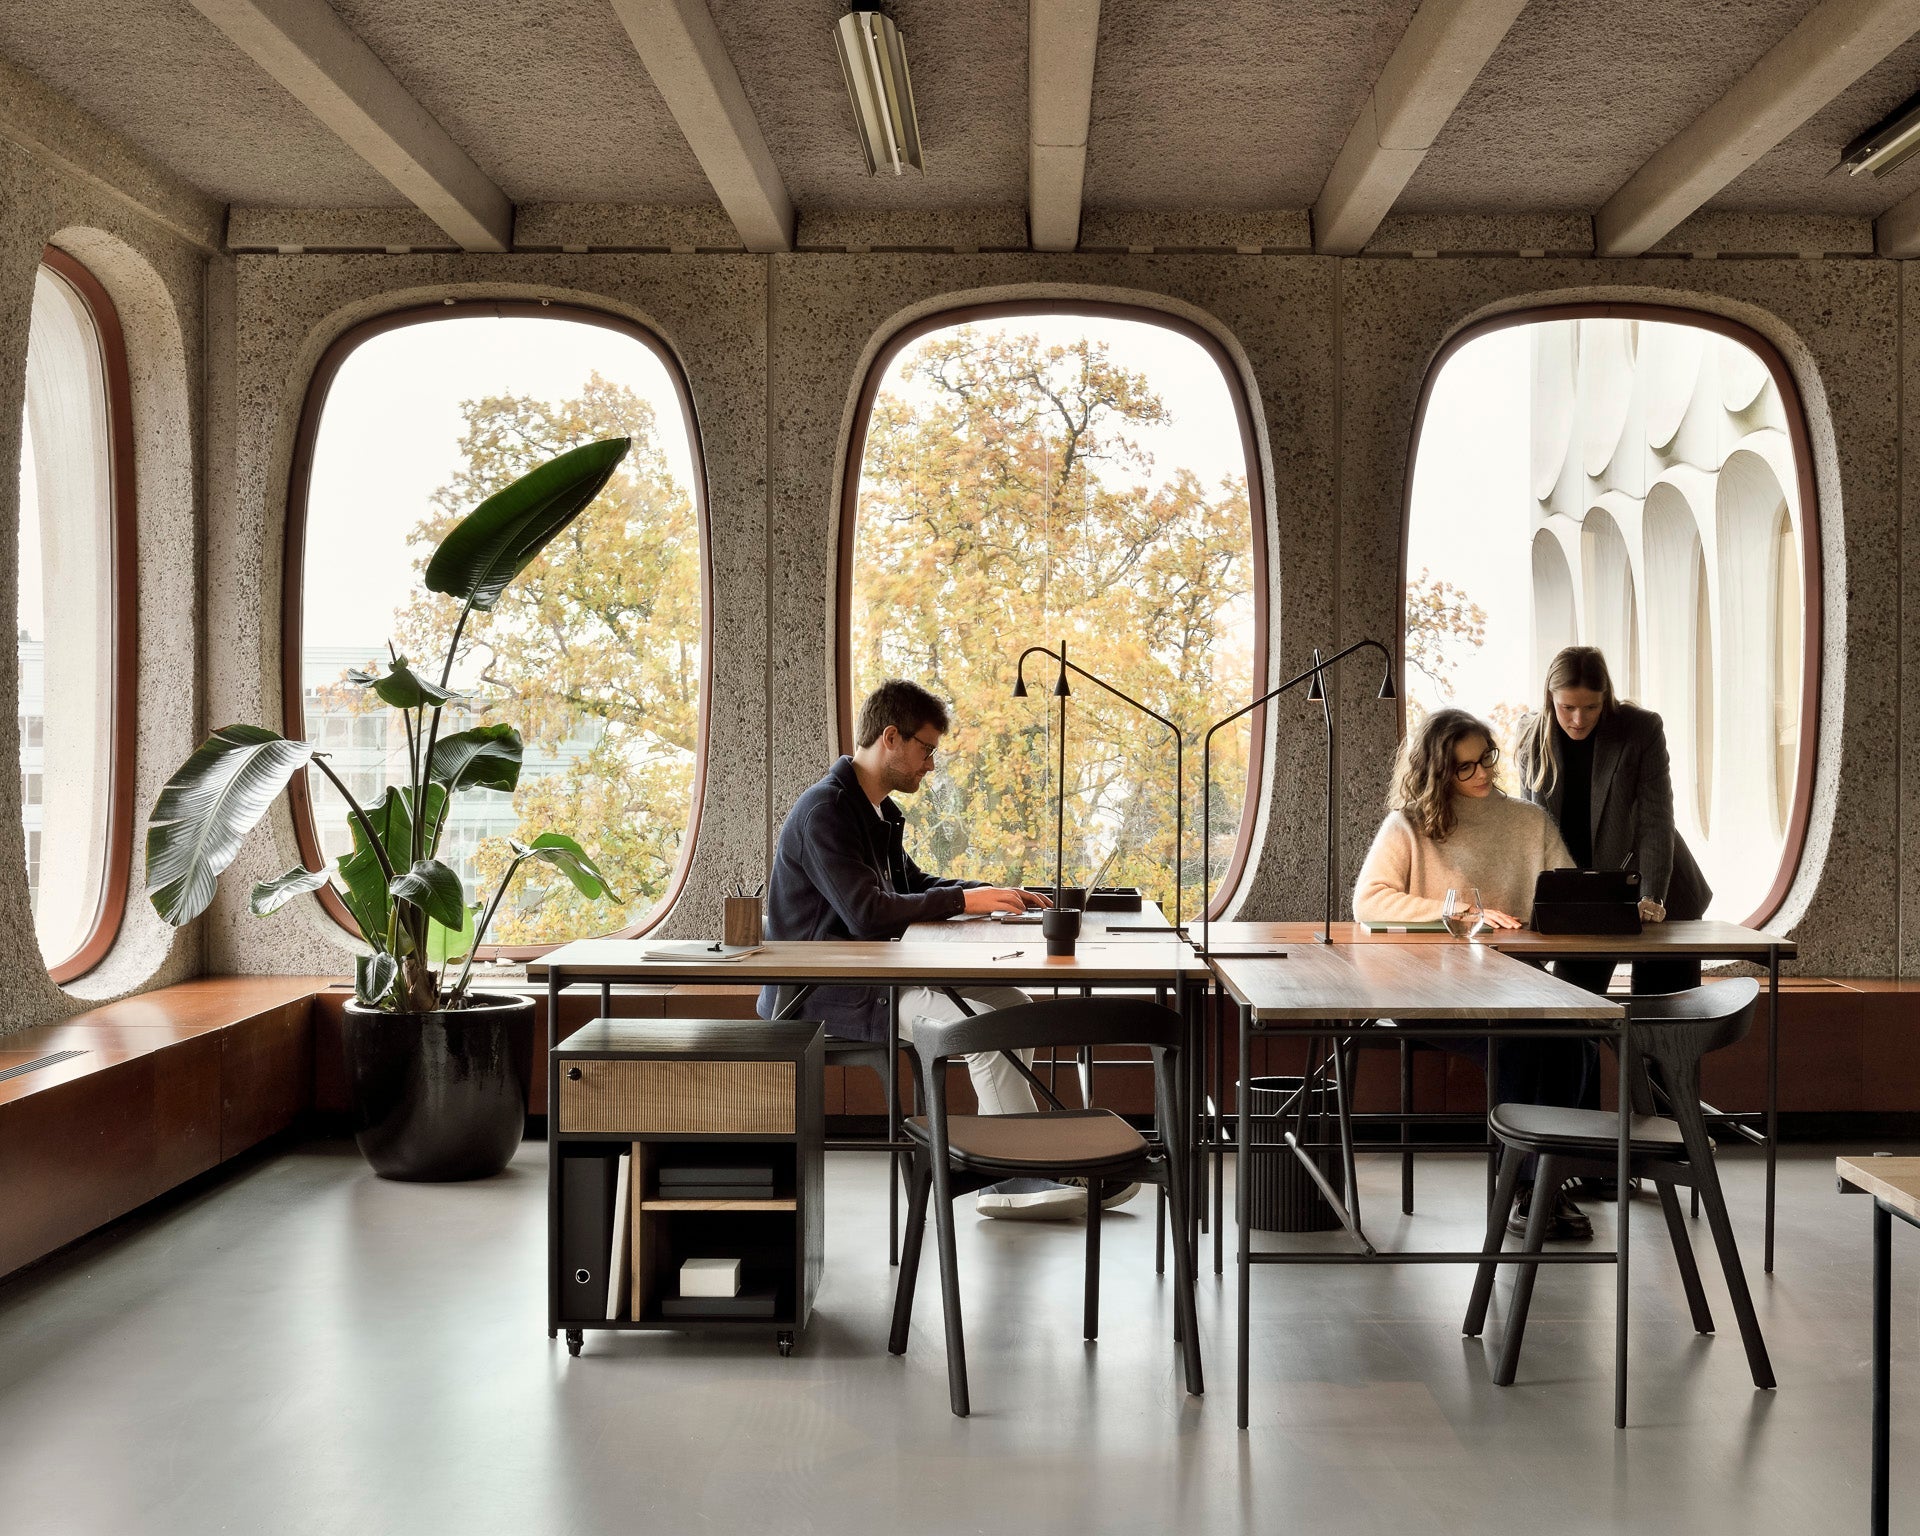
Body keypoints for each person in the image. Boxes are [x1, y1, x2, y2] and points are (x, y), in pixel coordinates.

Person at [759, 678, 1125, 1221]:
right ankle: (1016, 1177)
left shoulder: (875, 811)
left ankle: (1014, 1170)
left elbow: (909, 885)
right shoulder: (827, 812)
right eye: (926, 749)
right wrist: (966, 899)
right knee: (984, 1027)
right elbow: (868, 913)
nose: (931, 765)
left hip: (876, 981)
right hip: (826, 996)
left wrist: (993, 893)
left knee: (1013, 1008)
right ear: (891, 737)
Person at [1353, 707, 1594, 1240]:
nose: (1483, 772)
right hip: (1423, 994)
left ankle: (1539, 1186)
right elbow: (1368, 902)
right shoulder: (1410, 825)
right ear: (1439, 772)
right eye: (1465, 767)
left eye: (1486, 757)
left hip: (1515, 986)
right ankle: (1526, 1191)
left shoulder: (1529, 821)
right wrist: (1457, 912)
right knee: (1518, 1046)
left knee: (1575, 1039)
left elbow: (1568, 893)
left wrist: (1616, 907)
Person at [1514, 645, 1711, 999]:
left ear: (1607, 697)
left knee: (1663, 1020)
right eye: (1567, 707)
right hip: (1586, 893)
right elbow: (1531, 828)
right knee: (1569, 1009)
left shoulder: (1640, 729)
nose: (1578, 718)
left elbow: (1656, 819)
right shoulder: (1530, 734)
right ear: (1550, 698)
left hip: (1659, 888)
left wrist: (1652, 896)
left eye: (1591, 706)